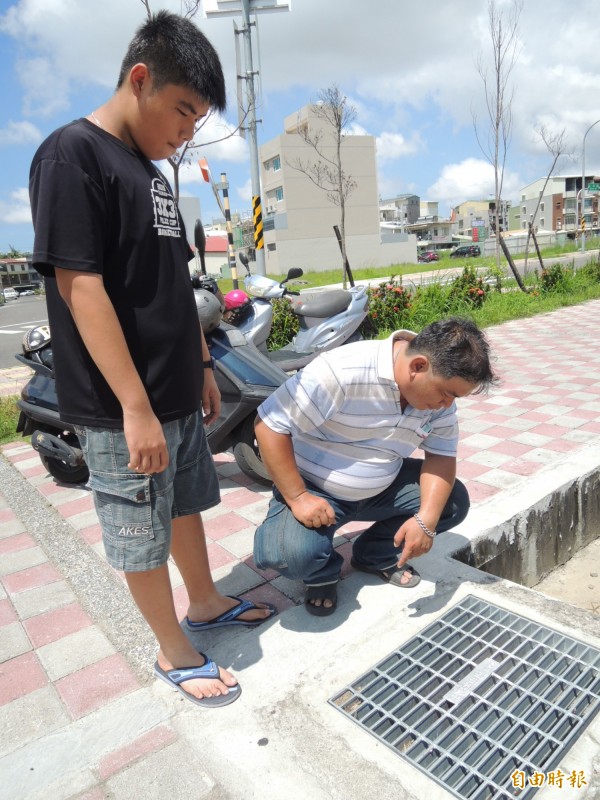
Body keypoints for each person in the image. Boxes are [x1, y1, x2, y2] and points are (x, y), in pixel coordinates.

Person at [29, 11, 275, 709]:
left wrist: (200, 363)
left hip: (175, 390)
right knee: (139, 529)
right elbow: (80, 284)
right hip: (120, 406)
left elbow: (175, 280)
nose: (187, 131)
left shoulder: (151, 171)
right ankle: (173, 651)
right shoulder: (70, 155)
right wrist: (134, 408)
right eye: (183, 111)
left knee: (185, 506)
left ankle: (203, 602)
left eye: (197, 119)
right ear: (141, 80)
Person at [253, 317, 497, 616]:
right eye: (447, 394)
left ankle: (373, 556)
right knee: (287, 556)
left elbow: (441, 455)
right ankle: (322, 574)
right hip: (315, 488)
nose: (448, 405)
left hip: (384, 486)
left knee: (452, 503)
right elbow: (269, 425)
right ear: (418, 367)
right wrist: (298, 497)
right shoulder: (341, 372)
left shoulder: (437, 399)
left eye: (454, 398)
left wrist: (426, 521)